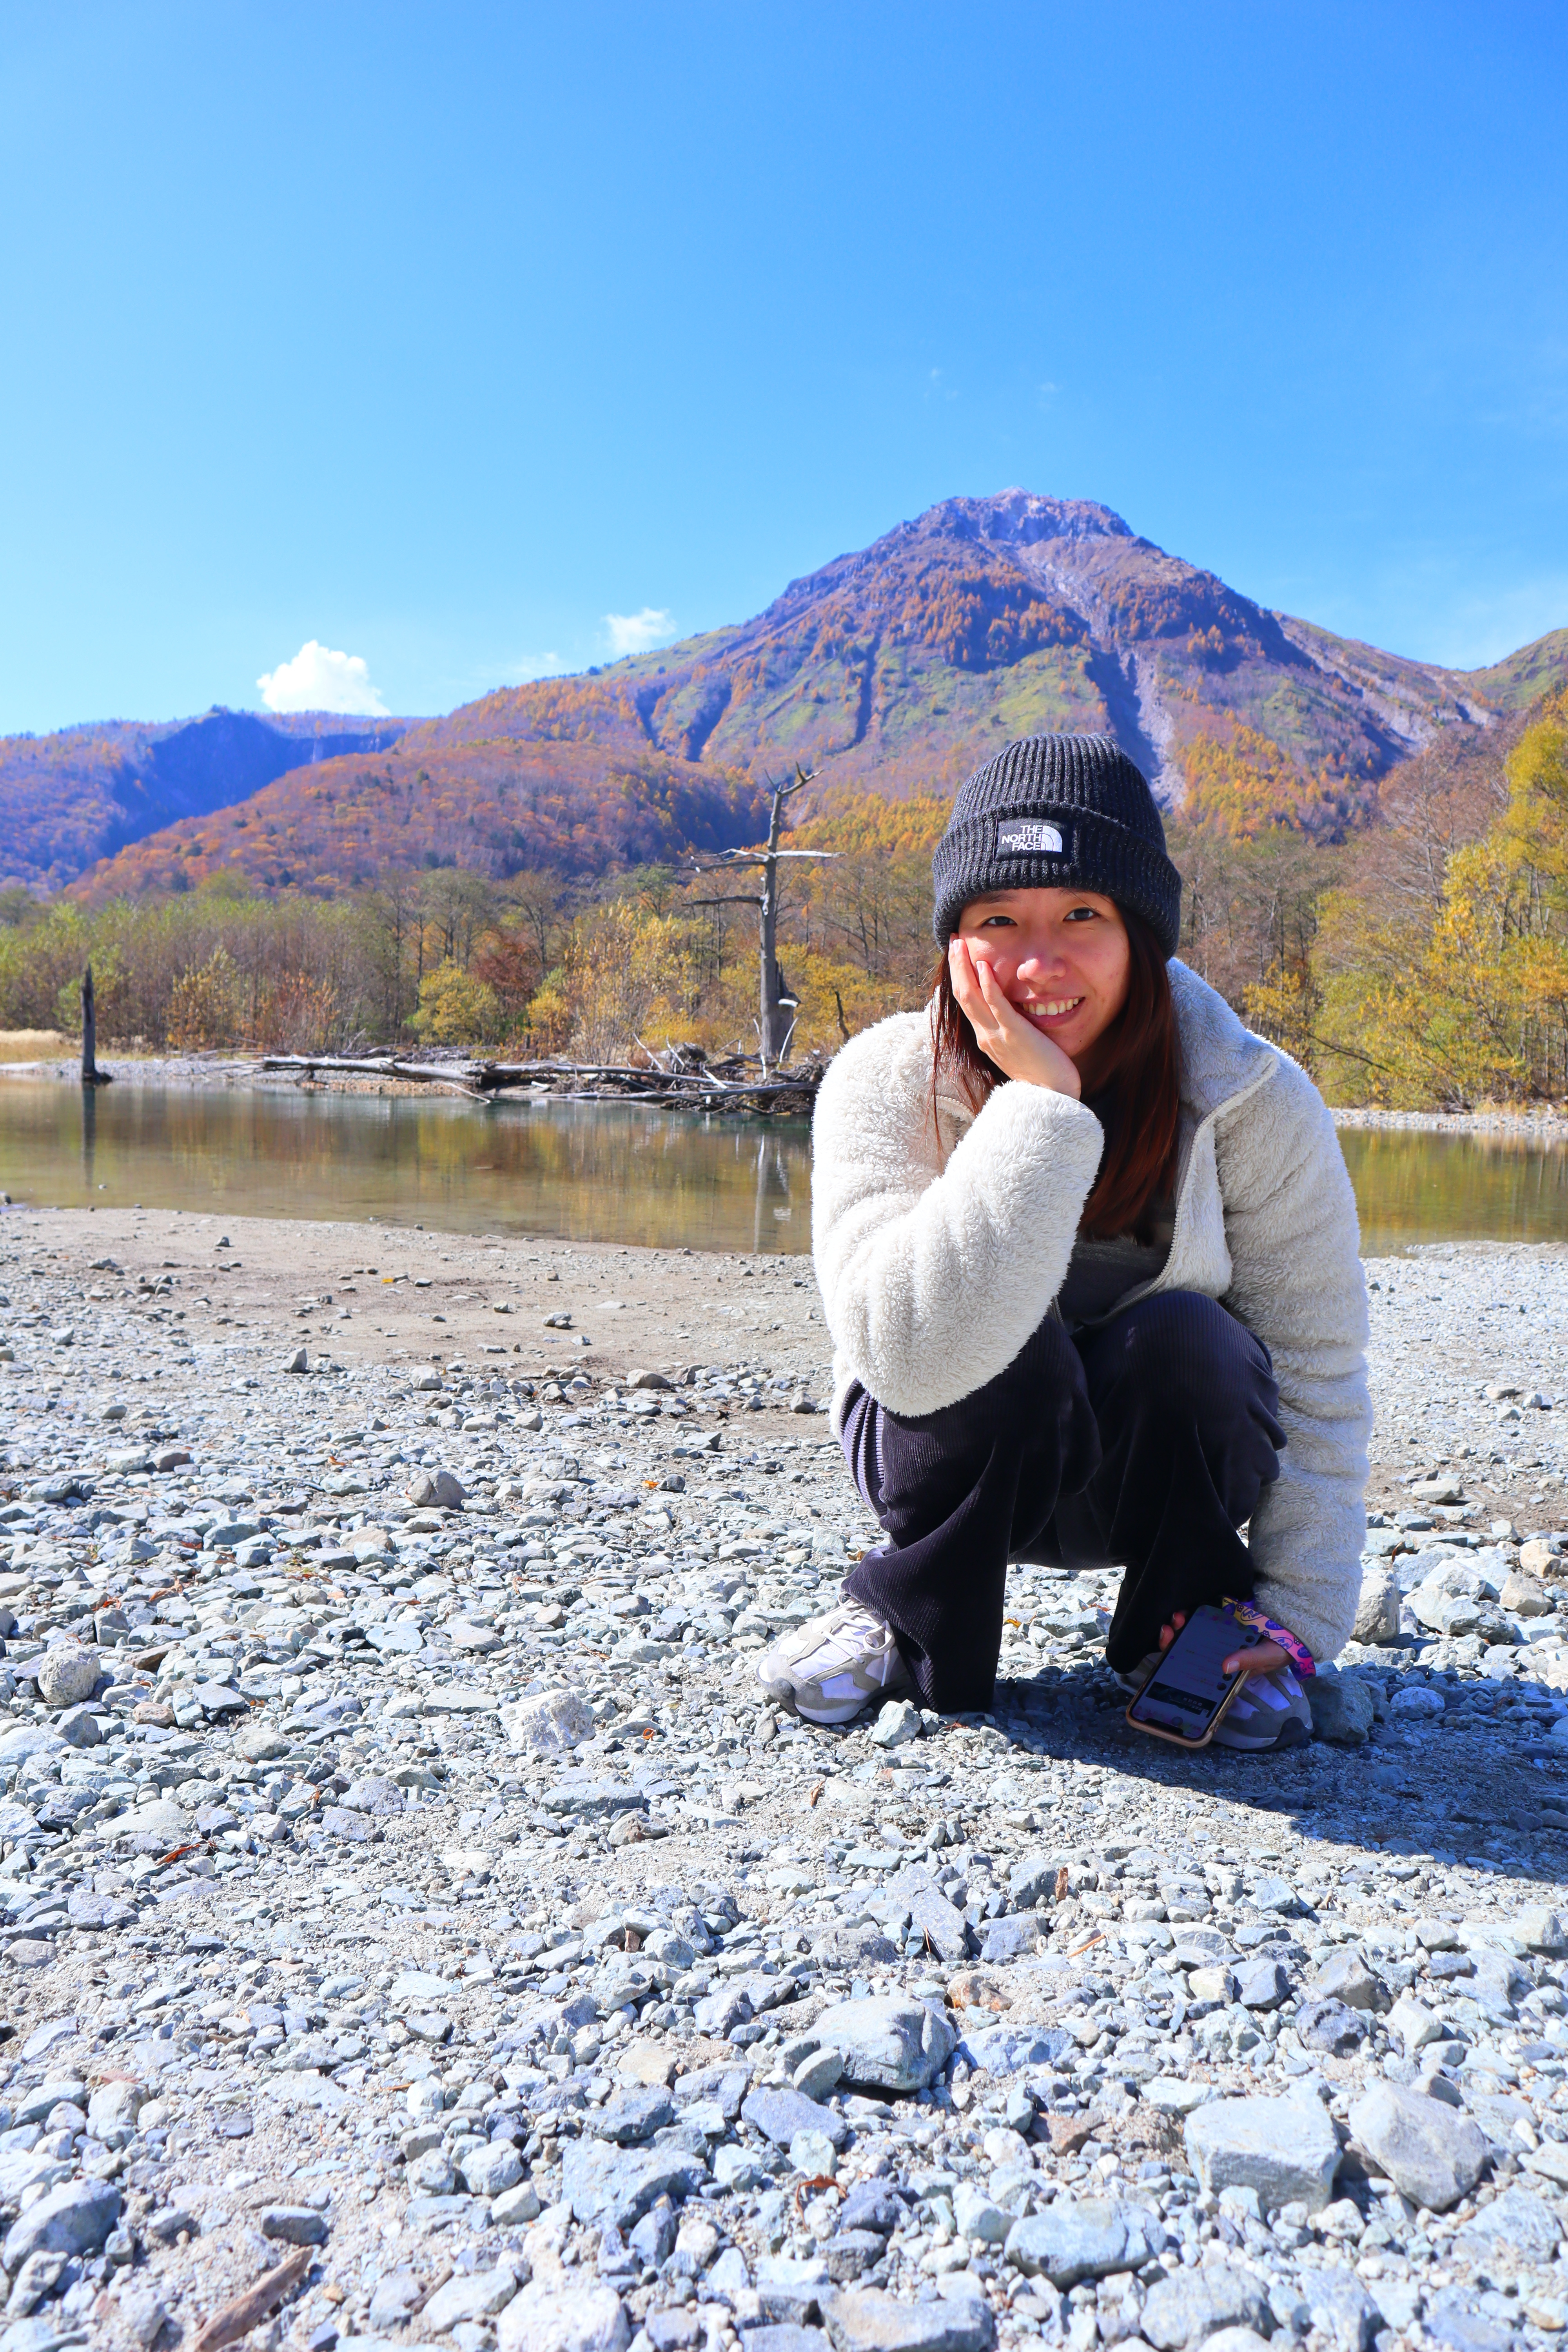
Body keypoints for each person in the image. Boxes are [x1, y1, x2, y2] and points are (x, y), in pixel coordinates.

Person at [758, 731, 1370, 1752]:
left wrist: (1304, 1611)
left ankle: (1193, 1631)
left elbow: (1317, 1358)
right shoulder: (885, 1078)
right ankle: (909, 1615)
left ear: (1143, 933)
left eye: (1082, 915)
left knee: (1189, 1338)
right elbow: (906, 1357)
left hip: (1149, 1475)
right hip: (939, 1453)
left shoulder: (1253, 1095)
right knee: (1006, 1346)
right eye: (999, 920)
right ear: (954, 942)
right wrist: (1042, 1108)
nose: (1038, 963)